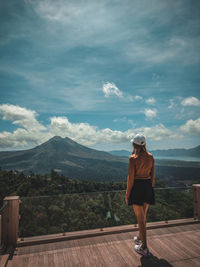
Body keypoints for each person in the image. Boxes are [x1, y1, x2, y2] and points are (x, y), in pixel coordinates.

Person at [125, 133, 155, 257]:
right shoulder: (151, 157)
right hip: (147, 187)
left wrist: (127, 194)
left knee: (141, 220)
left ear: (134, 144)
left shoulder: (133, 158)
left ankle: (144, 247)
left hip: (137, 188)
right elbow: (153, 176)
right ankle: (138, 238)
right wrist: (150, 189)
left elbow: (130, 178)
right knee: (143, 218)